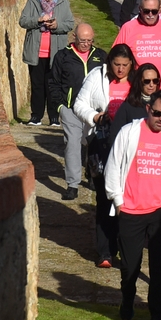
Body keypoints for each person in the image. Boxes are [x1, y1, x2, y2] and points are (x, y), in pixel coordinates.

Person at [105, 89, 161, 320]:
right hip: (130, 209)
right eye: (158, 113)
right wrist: (118, 202)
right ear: (148, 109)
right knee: (130, 266)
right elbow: (113, 167)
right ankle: (128, 301)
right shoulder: (129, 132)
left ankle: (157, 315)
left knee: (159, 267)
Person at [74, 45, 137, 266]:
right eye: (116, 64)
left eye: (125, 65)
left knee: (127, 196)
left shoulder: (136, 81)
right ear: (110, 63)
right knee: (103, 195)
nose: (120, 69)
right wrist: (95, 117)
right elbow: (78, 104)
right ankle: (105, 252)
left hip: (130, 144)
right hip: (101, 143)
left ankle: (123, 245)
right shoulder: (96, 76)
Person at [50, 24, 106, 200]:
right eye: (82, 41)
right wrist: (61, 107)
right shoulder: (63, 56)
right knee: (72, 144)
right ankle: (72, 184)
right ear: (74, 37)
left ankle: (92, 174)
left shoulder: (100, 56)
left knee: (94, 143)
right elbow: (53, 82)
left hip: (93, 110)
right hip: (71, 108)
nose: (86, 44)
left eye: (90, 41)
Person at [19, 0, 75, 126]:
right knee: (37, 86)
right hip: (36, 52)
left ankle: (54, 117)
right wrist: (38, 20)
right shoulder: (33, 0)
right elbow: (23, 21)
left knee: (53, 86)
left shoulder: (63, 3)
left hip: (56, 53)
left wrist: (56, 25)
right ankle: (36, 116)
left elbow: (70, 24)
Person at [116, 0, 161, 83]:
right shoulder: (128, 27)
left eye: (154, 11)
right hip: (137, 85)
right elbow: (116, 56)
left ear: (159, 9)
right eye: (146, 11)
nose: (150, 15)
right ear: (140, 9)